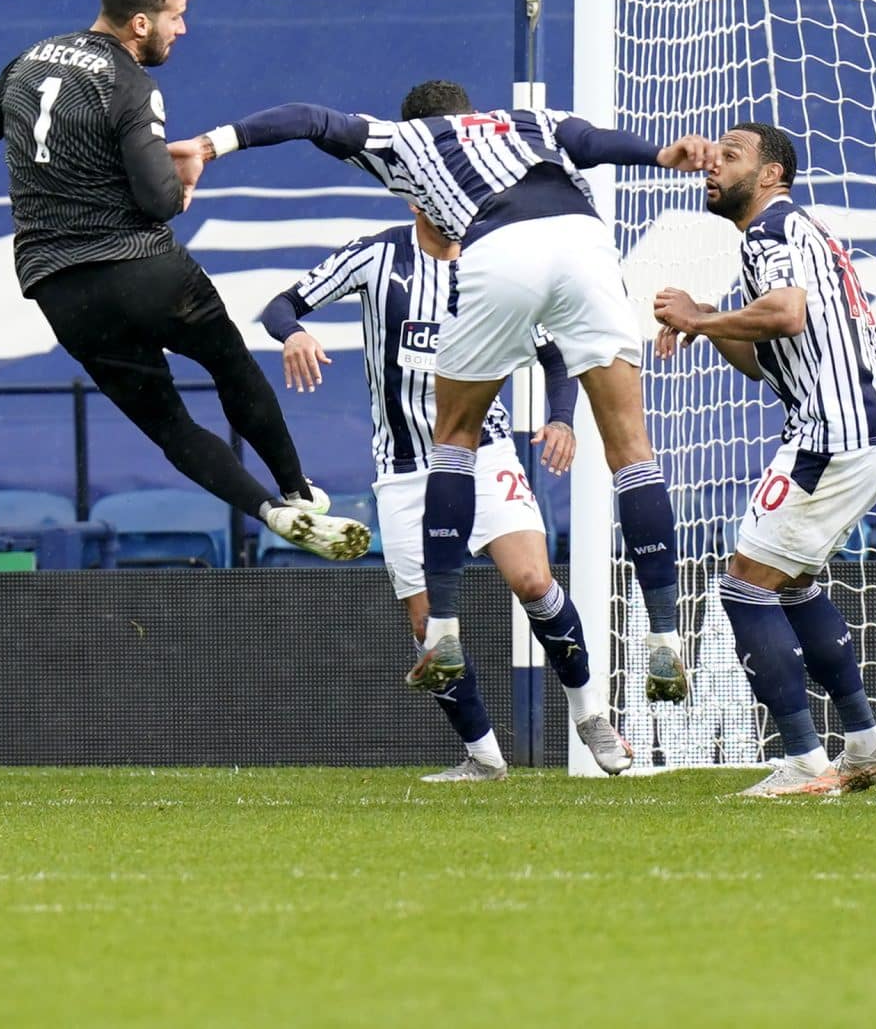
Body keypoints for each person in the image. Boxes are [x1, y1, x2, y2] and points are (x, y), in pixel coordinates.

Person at [182, 80, 711, 698]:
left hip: (500, 249)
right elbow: (592, 141)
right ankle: (666, 635)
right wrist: (659, 155)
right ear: (472, 109)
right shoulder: (534, 118)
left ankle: (445, 629)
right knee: (631, 450)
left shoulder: (408, 138)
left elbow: (308, 116)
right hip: (584, 244)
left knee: (454, 438)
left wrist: (210, 145)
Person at [0, 0, 365, 556]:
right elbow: (157, 200)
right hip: (143, 267)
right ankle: (296, 491)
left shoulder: (26, 62)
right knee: (230, 364)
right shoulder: (131, 83)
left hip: (60, 287)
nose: (180, 29)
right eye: (175, 17)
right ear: (139, 23)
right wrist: (183, 185)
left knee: (169, 424)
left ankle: (267, 511)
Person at [262, 205, 635, 779]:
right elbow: (279, 305)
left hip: (483, 455)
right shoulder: (377, 257)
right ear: (417, 196)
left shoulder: (499, 268)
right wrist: (294, 333)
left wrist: (561, 418)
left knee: (534, 580)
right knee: (426, 626)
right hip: (406, 471)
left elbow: (555, 355)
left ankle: (590, 716)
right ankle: (484, 757)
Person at [652, 123, 876, 798]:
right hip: (866, 429)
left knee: (744, 585)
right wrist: (708, 319)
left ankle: (804, 758)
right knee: (790, 585)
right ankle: (865, 743)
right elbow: (763, 360)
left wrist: (700, 318)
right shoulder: (793, 236)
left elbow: (787, 314)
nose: (712, 165)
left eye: (731, 155)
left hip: (833, 433)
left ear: (771, 175)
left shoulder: (772, 231)